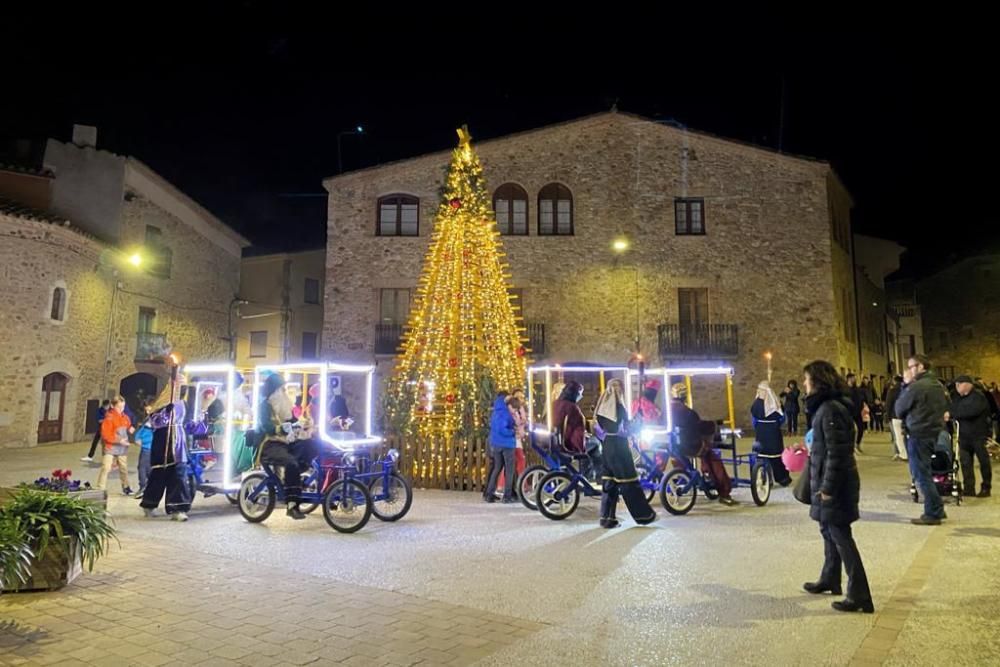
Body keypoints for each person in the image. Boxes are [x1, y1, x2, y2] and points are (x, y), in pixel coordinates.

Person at [801, 360, 873, 613]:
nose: (804, 385)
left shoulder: (831, 409)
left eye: (807, 379)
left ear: (818, 381)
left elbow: (838, 453)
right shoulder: (825, 407)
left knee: (841, 535)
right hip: (826, 481)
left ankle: (860, 594)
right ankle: (830, 577)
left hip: (836, 484)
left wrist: (828, 487)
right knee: (828, 530)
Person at [895, 355, 949, 525]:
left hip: (919, 432)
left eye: (911, 367)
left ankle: (933, 512)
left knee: (921, 474)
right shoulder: (937, 384)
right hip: (933, 431)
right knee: (925, 472)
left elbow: (899, 408)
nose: (909, 370)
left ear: (920, 367)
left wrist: (906, 385)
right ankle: (937, 508)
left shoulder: (917, 387)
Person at [257, 372, 320, 519]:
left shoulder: (285, 406)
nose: (284, 392)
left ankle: (296, 480)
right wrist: (282, 429)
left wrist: (303, 424)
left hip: (287, 442)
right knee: (291, 463)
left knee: (312, 446)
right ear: (274, 391)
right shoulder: (264, 406)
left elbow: (293, 421)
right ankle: (292, 504)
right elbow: (267, 427)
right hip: (270, 444)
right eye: (282, 389)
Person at [594, 380, 656, 528]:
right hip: (619, 446)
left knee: (610, 483)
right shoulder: (619, 407)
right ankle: (644, 515)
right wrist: (638, 421)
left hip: (607, 445)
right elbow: (627, 429)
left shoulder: (602, 409)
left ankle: (607, 518)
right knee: (629, 482)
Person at [139, 401, 193, 520]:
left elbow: (189, 423)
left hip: (178, 443)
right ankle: (149, 504)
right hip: (162, 442)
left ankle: (177, 509)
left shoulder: (185, 403)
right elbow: (155, 422)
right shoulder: (159, 405)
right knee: (158, 476)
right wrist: (166, 413)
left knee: (179, 476)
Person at [950, 375, 992, 498]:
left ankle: (986, 487)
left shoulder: (978, 397)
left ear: (968, 384)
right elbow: (952, 409)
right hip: (963, 436)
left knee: (983, 462)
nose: (957, 387)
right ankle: (969, 488)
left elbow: (971, 412)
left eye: (959, 384)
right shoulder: (957, 397)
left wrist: (955, 414)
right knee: (965, 463)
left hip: (978, 435)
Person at [751, 381, 791, 486]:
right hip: (773, 432)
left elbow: (754, 420)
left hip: (762, 432)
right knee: (775, 457)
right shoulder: (776, 403)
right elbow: (782, 418)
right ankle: (782, 478)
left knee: (765, 456)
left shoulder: (756, 404)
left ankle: (768, 479)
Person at [95, 396, 134, 495]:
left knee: (123, 468)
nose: (121, 409)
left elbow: (128, 424)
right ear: (113, 406)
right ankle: (100, 488)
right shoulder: (109, 418)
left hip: (122, 447)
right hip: (110, 447)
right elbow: (105, 435)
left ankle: (126, 487)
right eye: (119, 407)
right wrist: (119, 440)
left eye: (123, 407)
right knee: (106, 467)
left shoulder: (125, 417)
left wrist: (130, 428)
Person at [483, 391, 517, 503]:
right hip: (507, 444)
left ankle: (489, 493)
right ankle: (507, 496)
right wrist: (512, 432)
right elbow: (503, 429)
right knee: (509, 469)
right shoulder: (505, 412)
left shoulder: (495, 411)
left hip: (496, 444)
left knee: (497, 468)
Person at [495, 390, 529, 496]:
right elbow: (511, 423)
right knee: (513, 461)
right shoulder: (510, 410)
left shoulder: (518, 409)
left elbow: (522, 420)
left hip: (516, 438)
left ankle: (518, 484)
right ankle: (505, 486)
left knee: (517, 461)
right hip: (512, 439)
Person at [697, 420, 738, 506]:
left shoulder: (672, 413)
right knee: (714, 461)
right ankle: (724, 492)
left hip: (680, 446)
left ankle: (707, 476)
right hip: (696, 446)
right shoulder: (690, 415)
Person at [134, 401, 154, 496]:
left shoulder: (154, 420)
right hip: (146, 447)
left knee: (142, 467)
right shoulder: (149, 418)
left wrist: (140, 440)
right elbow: (142, 430)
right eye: (146, 408)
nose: (147, 410)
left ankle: (143, 487)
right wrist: (137, 437)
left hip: (147, 448)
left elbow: (148, 434)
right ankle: (150, 487)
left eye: (149, 408)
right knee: (146, 468)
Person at [886, 375, 907, 461]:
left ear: (894, 381)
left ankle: (902, 454)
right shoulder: (906, 390)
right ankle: (906, 453)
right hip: (905, 416)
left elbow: (888, 404)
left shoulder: (892, 391)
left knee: (897, 436)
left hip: (895, 416)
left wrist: (887, 417)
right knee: (906, 435)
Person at [846, 374, 866, 452]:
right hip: (848, 413)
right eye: (853, 378)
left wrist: (861, 407)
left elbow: (861, 399)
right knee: (850, 430)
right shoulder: (844, 389)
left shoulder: (857, 389)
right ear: (849, 379)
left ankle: (857, 444)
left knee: (861, 428)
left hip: (857, 412)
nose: (854, 379)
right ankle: (850, 446)